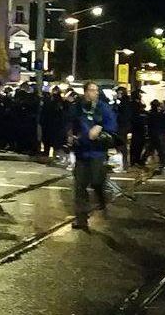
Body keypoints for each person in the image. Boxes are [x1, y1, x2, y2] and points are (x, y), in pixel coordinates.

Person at [68, 81, 117, 230]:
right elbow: (69, 122)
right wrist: (70, 135)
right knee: (80, 186)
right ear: (85, 92)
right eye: (90, 90)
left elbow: (112, 126)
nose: (93, 93)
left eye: (95, 91)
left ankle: (101, 197)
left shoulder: (103, 108)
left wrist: (100, 128)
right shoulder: (77, 107)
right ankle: (81, 218)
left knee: (97, 181)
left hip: (97, 152)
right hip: (82, 151)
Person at [112, 87, 133, 172]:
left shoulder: (124, 103)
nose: (117, 94)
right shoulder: (124, 102)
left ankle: (122, 165)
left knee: (121, 146)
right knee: (121, 146)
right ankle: (123, 165)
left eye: (119, 93)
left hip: (122, 127)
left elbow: (121, 115)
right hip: (122, 127)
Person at [129, 89, 149, 167]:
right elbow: (137, 114)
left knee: (138, 144)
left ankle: (135, 159)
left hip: (138, 127)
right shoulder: (134, 104)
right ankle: (135, 160)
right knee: (137, 144)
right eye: (139, 95)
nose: (141, 96)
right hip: (137, 126)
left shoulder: (137, 103)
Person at [147, 99, 165, 170]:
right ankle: (163, 160)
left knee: (153, 147)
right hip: (157, 132)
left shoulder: (150, 113)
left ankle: (163, 160)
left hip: (153, 132)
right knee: (158, 147)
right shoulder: (159, 114)